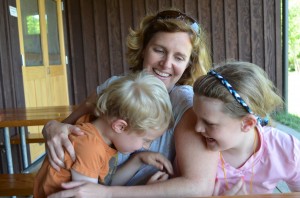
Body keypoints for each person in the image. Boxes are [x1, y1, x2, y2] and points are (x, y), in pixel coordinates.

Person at [44, 9, 219, 197]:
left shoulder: (186, 103)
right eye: (159, 50)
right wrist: (51, 127)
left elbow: (200, 186)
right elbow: (69, 127)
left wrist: (110, 194)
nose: (166, 64)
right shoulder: (116, 87)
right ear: (144, 48)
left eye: (179, 57)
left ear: (188, 64)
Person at [34, 71, 174, 197]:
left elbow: (103, 186)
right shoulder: (89, 146)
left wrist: (138, 160)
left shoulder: (101, 135)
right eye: (146, 140)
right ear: (120, 126)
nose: (147, 146)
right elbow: (88, 195)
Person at [192, 61, 300, 195]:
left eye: (209, 123)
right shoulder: (194, 149)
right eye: (196, 117)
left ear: (247, 123)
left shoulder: (284, 148)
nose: (197, 128)